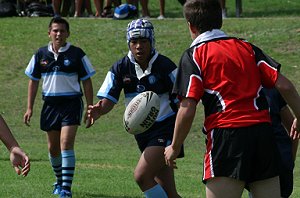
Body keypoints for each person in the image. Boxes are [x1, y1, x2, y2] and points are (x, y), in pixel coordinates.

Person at [164, 0, 300, 198]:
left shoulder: (194, 55)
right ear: (220, 21)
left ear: (190, 26)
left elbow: (187, 107)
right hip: (263, 134)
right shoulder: (247, 47)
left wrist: (174, 147)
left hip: (227, 136)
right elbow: (285, 86)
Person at [87, 19, 183, 198]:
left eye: (144, 41)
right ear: (128, 43)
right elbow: (108, 99)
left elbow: (182, 104)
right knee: (169, 193)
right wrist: (100, 110)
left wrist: (175, 143)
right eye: (134, 42)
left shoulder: (165, 67)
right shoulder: (120, 67)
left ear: (152, 42)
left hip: (165, 130)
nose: (139, 46)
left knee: (141, 176)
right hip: (142, 133)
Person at [23, 17, 95, 198]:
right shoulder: (40, 54)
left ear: (68, 33)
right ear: (49, 33)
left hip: (71, 104)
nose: (58, 34)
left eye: (62, 31)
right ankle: (58, 180)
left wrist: (89, 106)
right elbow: (33, 82)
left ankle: (66, 189)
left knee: (66, 144)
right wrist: (29, 108)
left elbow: (87, 81)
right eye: (55, 30)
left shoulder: (77, 54)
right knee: (53, 149)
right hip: (50, 106)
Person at [248, 88, 299, 198]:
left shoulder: (271, 90)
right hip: (256, 164)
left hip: (278, 162)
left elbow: (293, 128)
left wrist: (290, 159)